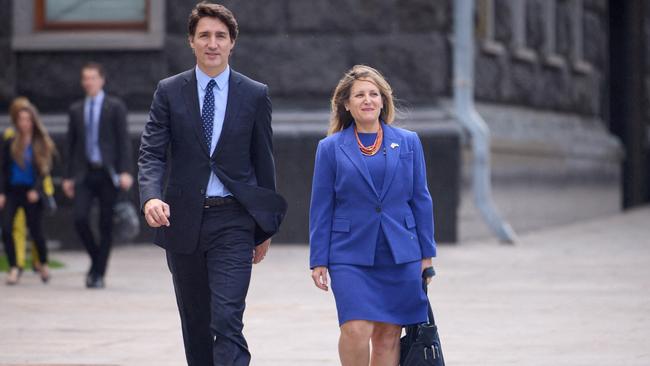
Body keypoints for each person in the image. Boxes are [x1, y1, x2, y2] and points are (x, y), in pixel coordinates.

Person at [138, 3, 286, 365]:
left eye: (221, 36)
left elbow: (263, 162)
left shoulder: (253, 94)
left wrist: (264, 227)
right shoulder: (170, 91)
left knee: (226, 319)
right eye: (204, 35)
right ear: (191, 41)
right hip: (183, 220)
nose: (213, 43)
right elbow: (152, 153)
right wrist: (150, 197)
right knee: (196, 324)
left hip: (233, 221)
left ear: (232, 42)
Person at [309, 65, 437, 365]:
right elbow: (321, 205)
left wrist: (426, 256)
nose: (367, 100)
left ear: (383, 101)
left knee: (388, 335)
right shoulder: (329, 148)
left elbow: (421, 199)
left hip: (400, 253)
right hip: (349, 253)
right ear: (347, 104)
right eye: (359, 95)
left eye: (373, 94)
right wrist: (319, 259)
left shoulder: (408, 142)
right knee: (356, 328)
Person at [62, 62, 133, 289]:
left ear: (102, 80)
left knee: (105, 224)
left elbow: (123, 140)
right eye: (85, 78)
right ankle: (97, 261)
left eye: (92, 78)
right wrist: (67, 177)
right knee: (80, 218)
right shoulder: (76, 109)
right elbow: (70, 145)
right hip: (84, 173)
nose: (88, 82)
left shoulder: (115, 107)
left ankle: (98, 274)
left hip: (108, 173)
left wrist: (126, 171)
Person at [0, 98, 57, 285]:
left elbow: (45, 170)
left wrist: (36, 190)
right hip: (12, 191)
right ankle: (15, 266)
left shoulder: (41, 142)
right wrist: (1, 192)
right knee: (7, 228)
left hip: (32, 193)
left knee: (36, 231)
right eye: (21, 119)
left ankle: (43, 262)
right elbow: (3, 168)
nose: (24, 123)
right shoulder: (10, 141)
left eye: (27, 119)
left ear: (33, 121)